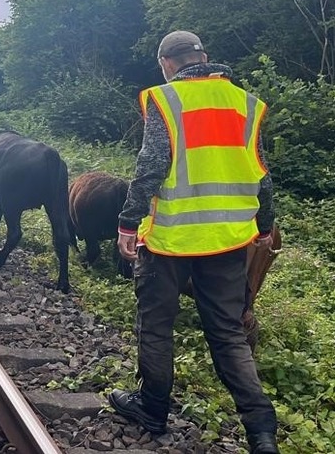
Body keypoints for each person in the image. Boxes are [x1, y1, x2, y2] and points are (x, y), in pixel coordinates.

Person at [110, 31, 279, 454]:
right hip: (228, 241)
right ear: (203, 56)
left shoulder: (165, 100)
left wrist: (128, 223)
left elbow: (150, 166)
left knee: (157, 325)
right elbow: (262, 173)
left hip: (170, 240)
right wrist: (264, 225)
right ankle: (262, 432)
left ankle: (152, 410)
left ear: (168, 63)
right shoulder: (246, 103)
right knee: (227, 333)